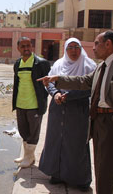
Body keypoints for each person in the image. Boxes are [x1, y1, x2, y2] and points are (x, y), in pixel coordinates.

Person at [38, 30, 113, 194]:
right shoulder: (102, 66)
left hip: (111, 121)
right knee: (102, 167)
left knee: (106, 168)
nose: (93, 48)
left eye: (96, 43)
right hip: (98, 119)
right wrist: (57, 79)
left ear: (108, 44)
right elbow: (84, 81)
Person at [39, 38, 96, 191]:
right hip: (58, 107)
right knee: (56, 139)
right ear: (65, 49)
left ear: (81, 48)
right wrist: (56, 93)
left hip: (78, 109)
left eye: (76, 47)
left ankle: (80, 179)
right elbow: (49, 82)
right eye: (69, 47)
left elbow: (91, 88)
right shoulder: (58, 64)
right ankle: (56, 174)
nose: (73, 50)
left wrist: (69, 96)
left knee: (76, 142)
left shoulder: (89, 65)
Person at [12, 36, 50, 168]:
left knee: (33, 132)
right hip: (20, 103)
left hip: (34, 104)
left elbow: (49, 84)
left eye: (28, 45)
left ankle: (29, 158)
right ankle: (27, 156)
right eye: (23, 46)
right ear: (18, 48)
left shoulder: (41, 63)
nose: (26, 48)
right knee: (23, 131)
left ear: (32, 47)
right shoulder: (17, 64)